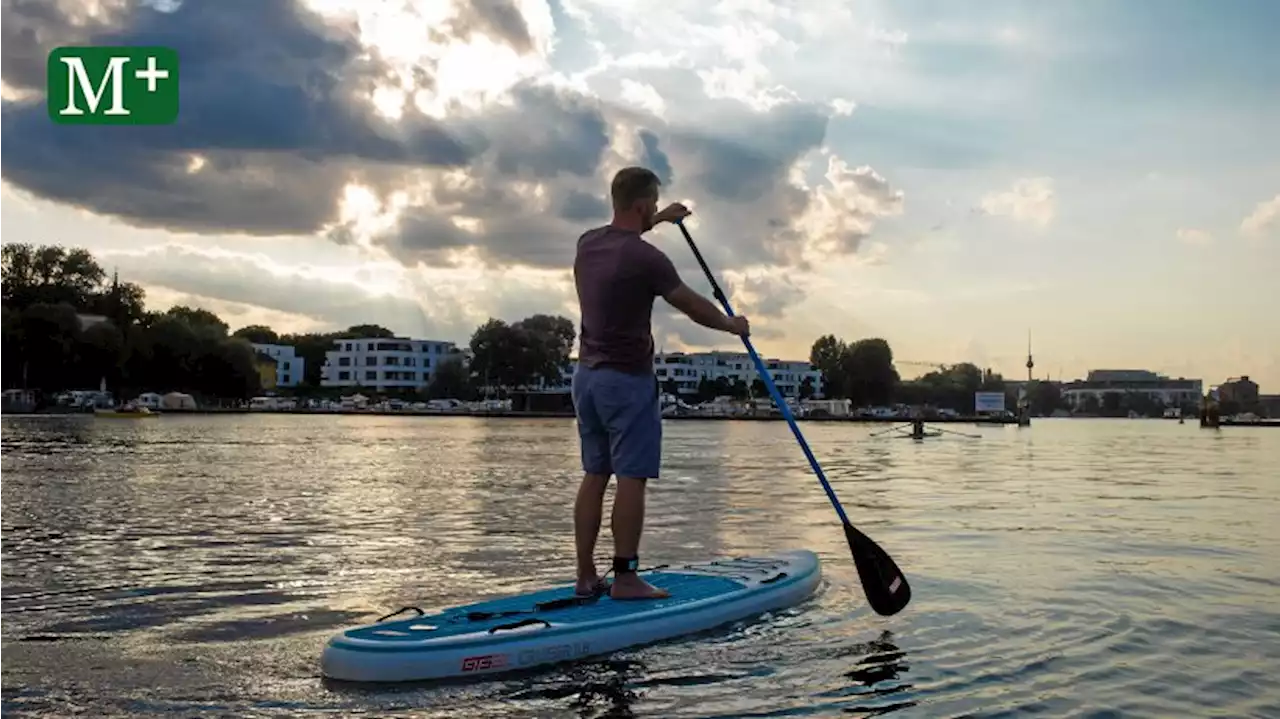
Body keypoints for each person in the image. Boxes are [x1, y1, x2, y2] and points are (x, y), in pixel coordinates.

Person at [571, 166, 750, 600]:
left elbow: (629, 230)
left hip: (585, 379)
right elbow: (690, 304)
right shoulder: (647, 259)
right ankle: (627, 579)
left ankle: (585, 576)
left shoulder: (587, 242)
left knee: (596, 474)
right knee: (631, 478)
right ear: (641, 203)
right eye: (651, 204)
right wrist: (731, 325)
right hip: (627, 382)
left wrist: (659, 218)